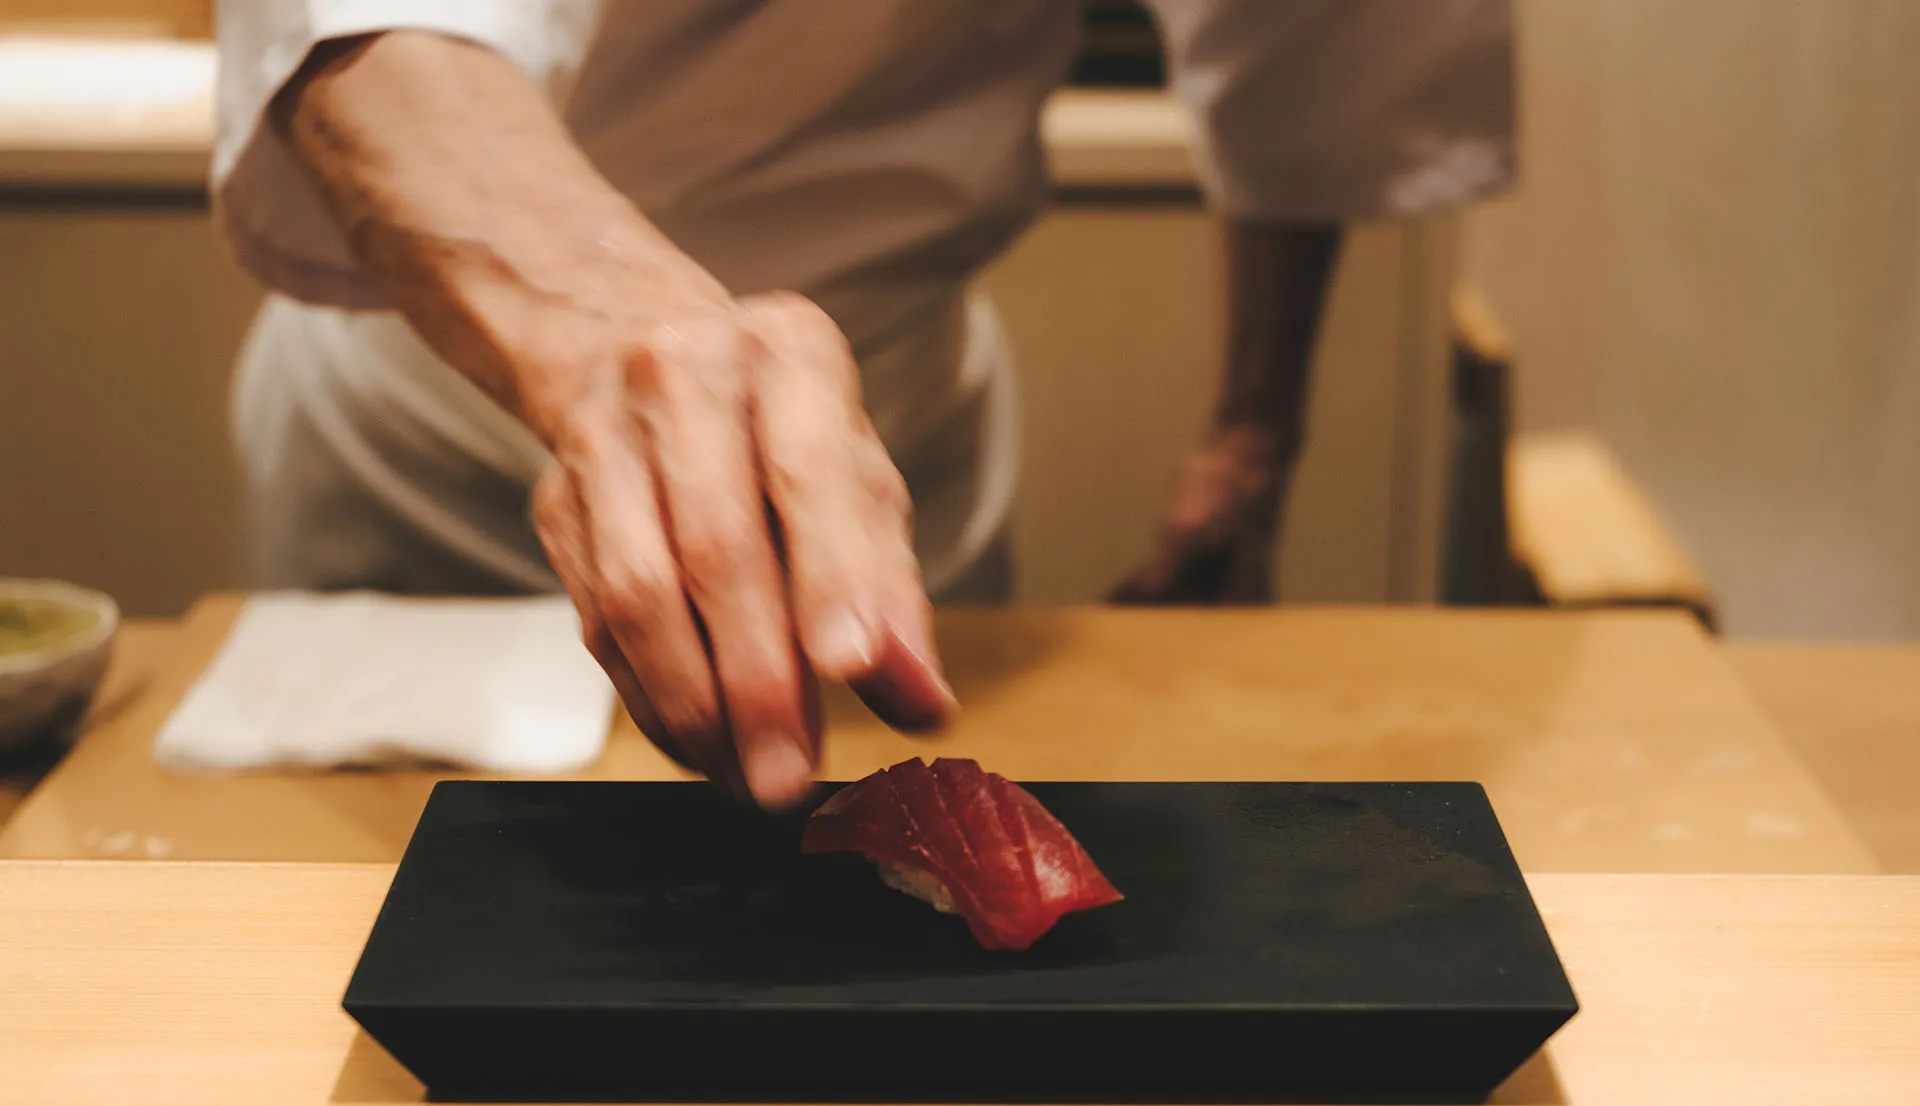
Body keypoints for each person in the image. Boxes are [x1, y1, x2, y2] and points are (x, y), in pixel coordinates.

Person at [213, 1, 1514, 808]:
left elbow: (1325, 41)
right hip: (424, 429)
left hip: (888, 463)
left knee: (891, 984)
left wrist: (1253, 431)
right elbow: (370, 29)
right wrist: (621, 343)